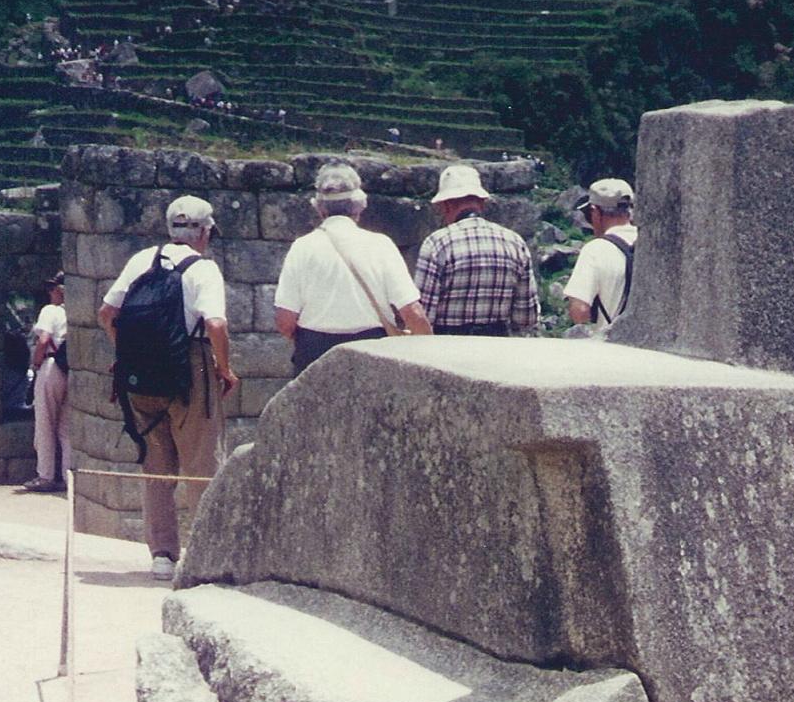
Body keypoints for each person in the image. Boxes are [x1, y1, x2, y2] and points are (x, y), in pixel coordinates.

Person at [98, 194, 237, 581]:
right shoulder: (203, 269)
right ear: (204, 232)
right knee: (202, 463)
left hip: (141, 374)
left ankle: (162, 555)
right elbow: (216, 325)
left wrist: (126, 353)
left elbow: (107, 313)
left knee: (156, 465)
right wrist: (224, 368)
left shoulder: (142, 260)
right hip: (191, 367)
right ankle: (207, 555)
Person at [274, 163, 432, 374]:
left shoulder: (302, 248)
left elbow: (285, 321)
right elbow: (413, 312)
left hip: (314, 354)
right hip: (372, 354)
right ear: (360, 206)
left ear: (320, 208)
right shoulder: (380, 245)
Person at [415, 164, 540, 337]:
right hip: (497, 345)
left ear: (445, 205)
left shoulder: (437, 244)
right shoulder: (515, 242)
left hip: (447, 346)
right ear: (481, 203)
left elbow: (422, 315)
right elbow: (526, 317)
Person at [15, 272, 69, 493]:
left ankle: (45, 476)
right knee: (66, 429)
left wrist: (36, 364)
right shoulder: (76, 312)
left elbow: (44, 340)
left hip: (51, 366)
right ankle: (69, 478)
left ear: (59, 290)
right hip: (70, 370)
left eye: (52, 288)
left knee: (45, 423)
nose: (50, 292)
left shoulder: (51, 311)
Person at [563, 178, 636, 336]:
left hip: (612, 344)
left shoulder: (595, 250)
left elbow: (579, 311)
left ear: (595, 212)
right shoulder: (649, 244)